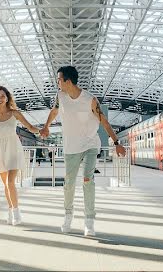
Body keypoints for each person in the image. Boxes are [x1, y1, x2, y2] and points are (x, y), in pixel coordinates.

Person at [40, 65, 127, 237]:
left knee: (87, 179)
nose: (57, 82)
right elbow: (54, 111)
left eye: (59, 79)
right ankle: (68, 216)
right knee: (69, 183)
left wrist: (116, 142)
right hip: (70, 147)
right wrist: (46, 127)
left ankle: (89, 221)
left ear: (68, 81)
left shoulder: (90, 100)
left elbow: (104, 121)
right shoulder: (60, 96)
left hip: (90, 144)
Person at [0, 85, 40, 225]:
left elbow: (30, 127)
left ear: (7, 98)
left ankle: (16, 212)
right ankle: (10, 209)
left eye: (2, 96)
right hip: (0, 151)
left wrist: (42, 130)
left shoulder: (15, 113)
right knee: (6, 185)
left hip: (14, 149)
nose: (0, 99)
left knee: (10, 182)